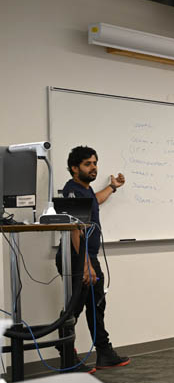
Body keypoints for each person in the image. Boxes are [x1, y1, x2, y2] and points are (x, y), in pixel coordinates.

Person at [56, 146, 130, 371]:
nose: (94, 167)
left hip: (87, 257)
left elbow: (95, 201)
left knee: (96, 304)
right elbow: (73, 230)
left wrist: (112, 188)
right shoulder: (71, 191)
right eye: (88, 164)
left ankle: (104, 352)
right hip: (78, 257)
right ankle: (67, 354)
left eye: (95, 163)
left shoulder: (84, 190)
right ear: (74, 168)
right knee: (75, 307)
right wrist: (86, 264)